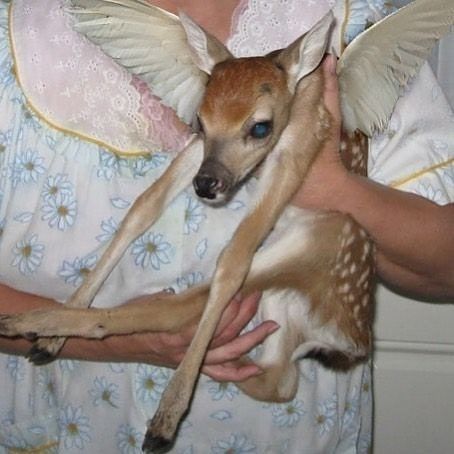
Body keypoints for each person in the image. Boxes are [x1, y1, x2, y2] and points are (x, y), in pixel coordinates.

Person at [0, 0, 452, 453]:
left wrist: (330, 188)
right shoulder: (15, 33)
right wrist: (115, 339)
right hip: (58, 427)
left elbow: (444, 263)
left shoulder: (344, 23)